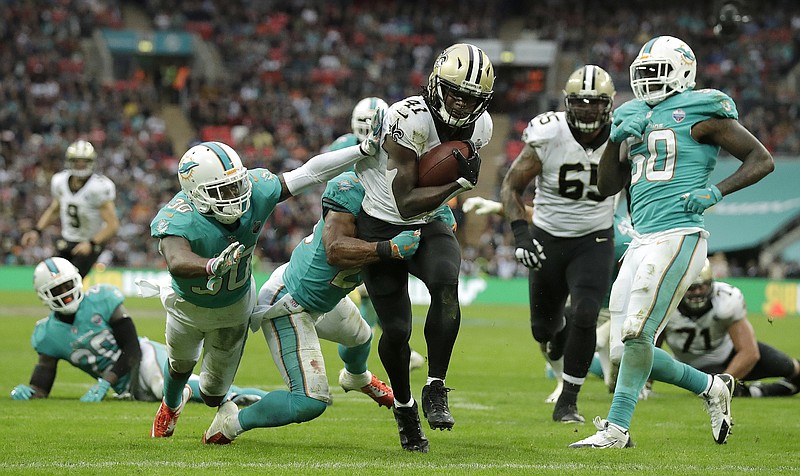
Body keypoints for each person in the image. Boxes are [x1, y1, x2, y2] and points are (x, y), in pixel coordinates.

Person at [570, 35, 774, 449]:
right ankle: (712, 386)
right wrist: (614, 140)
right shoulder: (630, 112)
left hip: (678, 232)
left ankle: (617, 429)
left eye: (657, 72)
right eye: (642, 73)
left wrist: (716, 191)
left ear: (682, 72)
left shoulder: (702, 109)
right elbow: (607, 184)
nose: (648, 81)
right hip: (640, 237)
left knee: (637, 334)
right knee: (617, 350)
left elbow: (761, 159)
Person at [147, 124, 383, 441]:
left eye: (236, 185)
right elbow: (176, 260)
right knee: (180, 364)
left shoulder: (255, 189)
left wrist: (360, 150)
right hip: (187, 306)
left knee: (214, 392)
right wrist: (212, 264)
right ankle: (171, 406)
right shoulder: (177, 216)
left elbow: (311, 172)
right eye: (223, 191)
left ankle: (213, 405)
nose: (236, 195)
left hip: (234, 307)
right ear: (196, 196)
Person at [200, 170, 453, 444]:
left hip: (328, 298)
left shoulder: (411, 197)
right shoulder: (354, 190)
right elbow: (335, 249)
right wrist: (388, 247)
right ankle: (231, 422)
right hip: (290, 302)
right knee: (309, 401)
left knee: (361, 337)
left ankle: (357, 378)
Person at [353, 43, 494, 453]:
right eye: (453, 91)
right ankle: (404, 407)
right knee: (396, 330)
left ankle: (435, 385)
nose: (460, 102)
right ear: (435, 84)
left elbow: (426, 204)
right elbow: (404, 199)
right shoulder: (407, 117)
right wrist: (457, 184)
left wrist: (453, 184)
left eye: (470, 97)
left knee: (447, 282)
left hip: (428, 222)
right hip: (382, 222)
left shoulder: (480, 127)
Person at [499, 65, 618, 423]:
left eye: (594, 104)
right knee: (544, 329)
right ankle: (559, 331)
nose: (586, 110)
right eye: (579, 103)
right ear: (567, 103)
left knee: (586, 314)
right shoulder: (548, 134)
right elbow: (510, 187)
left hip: (595, 238)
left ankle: (568, 401)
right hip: (548, 236)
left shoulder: (624, 135)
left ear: (609, 106)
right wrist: (521, 236)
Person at [10, 257, 268, 405]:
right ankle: (234, 394)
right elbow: (41, 385)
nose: (66, 296)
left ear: (78, 281)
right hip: (127, 386)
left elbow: (131, 347)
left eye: (68, 286)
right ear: (44, 296)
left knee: (165, 389)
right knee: (161, 395)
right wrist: (30, 391)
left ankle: (243, 395)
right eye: (57, 291)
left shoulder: (102, 298)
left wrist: (105, 383)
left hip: (145, 359)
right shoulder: (47, 335)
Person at [328, 96, 426, 372]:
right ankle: (354, 366)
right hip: (355, 226)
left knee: (379, 296)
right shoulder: (345, 147)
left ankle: (380, 355)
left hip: (380, 224)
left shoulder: (393, 144)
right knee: (363, 300)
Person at [660, 259, 800, 397]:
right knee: (727, 390)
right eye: (691, 288)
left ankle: (790, 380)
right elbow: (652, 343)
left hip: (729, 353)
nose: (697, 292)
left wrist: (722, 384)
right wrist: (646, 382)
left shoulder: (725, 300)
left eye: (701, 286)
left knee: (786, 365)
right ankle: (758, 391)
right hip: (695, 366)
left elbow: (749, 352)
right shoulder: (665, 302)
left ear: (710, 284)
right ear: (680, 287)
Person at [21, 140, 119, 277]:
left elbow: (113, 225)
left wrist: (91, 243)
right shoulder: (59, 181)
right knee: (54, 279)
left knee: (69, 284)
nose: (80, 165)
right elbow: (54, 209)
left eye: (83, 161)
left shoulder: (99, 187)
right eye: (77, 161)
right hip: (67, 239)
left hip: (90, 242)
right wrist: (37, 231)